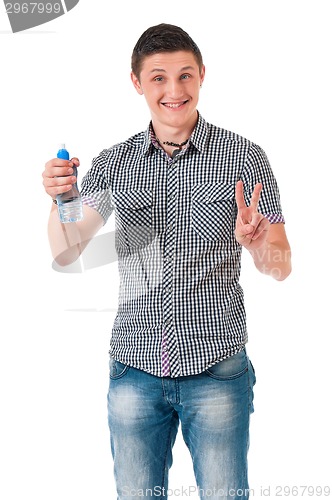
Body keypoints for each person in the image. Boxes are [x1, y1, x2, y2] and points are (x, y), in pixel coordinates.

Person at [42, 23, 291, 500]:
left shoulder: (245, 157)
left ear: (201, 76)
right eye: (158, 77)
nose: (174, 91)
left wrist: (259, 241)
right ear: (137, 83)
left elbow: (281, 266)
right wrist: (61, 200)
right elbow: (66, 249)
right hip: (135, 371)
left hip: (218, 370)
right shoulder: (116, 162)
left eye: (184, 76)